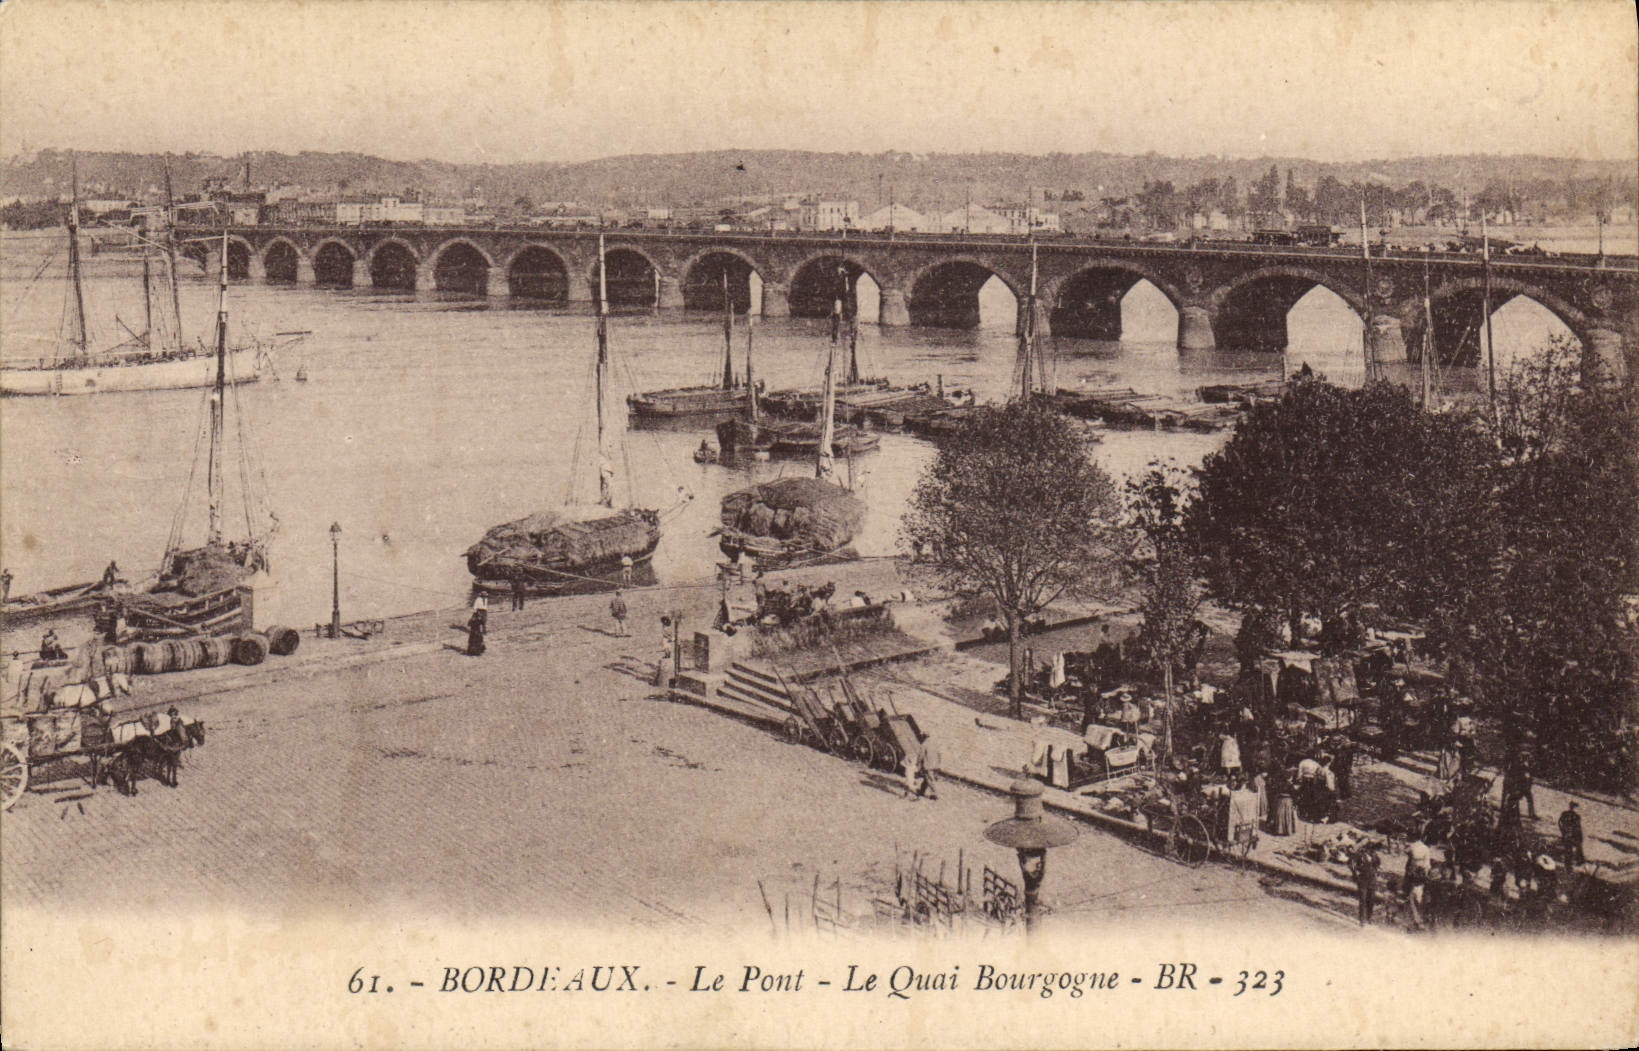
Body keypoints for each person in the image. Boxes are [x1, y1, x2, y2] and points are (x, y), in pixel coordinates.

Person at [1350, 841, 1382, 926]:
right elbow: (1351, 864)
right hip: (1362, 880)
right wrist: (1355, 874)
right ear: (1366, 849)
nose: (1372, 851)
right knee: (1362, 899)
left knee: (1371, 899)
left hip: (1372, 880)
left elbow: (1378, 865)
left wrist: (1377, 871)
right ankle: (1362, 919)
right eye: (1370, 849)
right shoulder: (1360, 856)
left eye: (1373, 850)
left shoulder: (1375, 856)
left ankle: (1369, 917)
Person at [1559, 801, 1585, 868]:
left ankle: (1568, 864)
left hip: (1566, 835)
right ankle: (1579, 861)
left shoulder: (1564, 814)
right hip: (1573, 836)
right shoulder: (1577, 816)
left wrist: (1563, 832)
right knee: (1578, 847)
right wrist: (1580, 837)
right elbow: (1578, 828)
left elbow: (1560, 823)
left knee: (1568, 850)